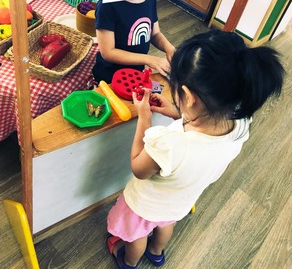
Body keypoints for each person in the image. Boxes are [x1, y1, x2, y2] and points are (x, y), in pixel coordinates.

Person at [106, 29, 284, 269]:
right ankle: (157, 253)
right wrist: (176, 110)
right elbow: (204, 121)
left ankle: (129, 261)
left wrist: (144, 118)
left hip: (145, 204)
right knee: (164, 224)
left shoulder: (170, 144)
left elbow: (139, 168)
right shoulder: (240, 124)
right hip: (179, 201)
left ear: (188, 97)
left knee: (136, 234)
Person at [92, 0, 176, 84]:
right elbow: (108, 53)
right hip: (110, 76)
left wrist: (169, 48)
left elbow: (155, 34)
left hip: (136, 72)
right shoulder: (106, 5)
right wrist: (149, 59)